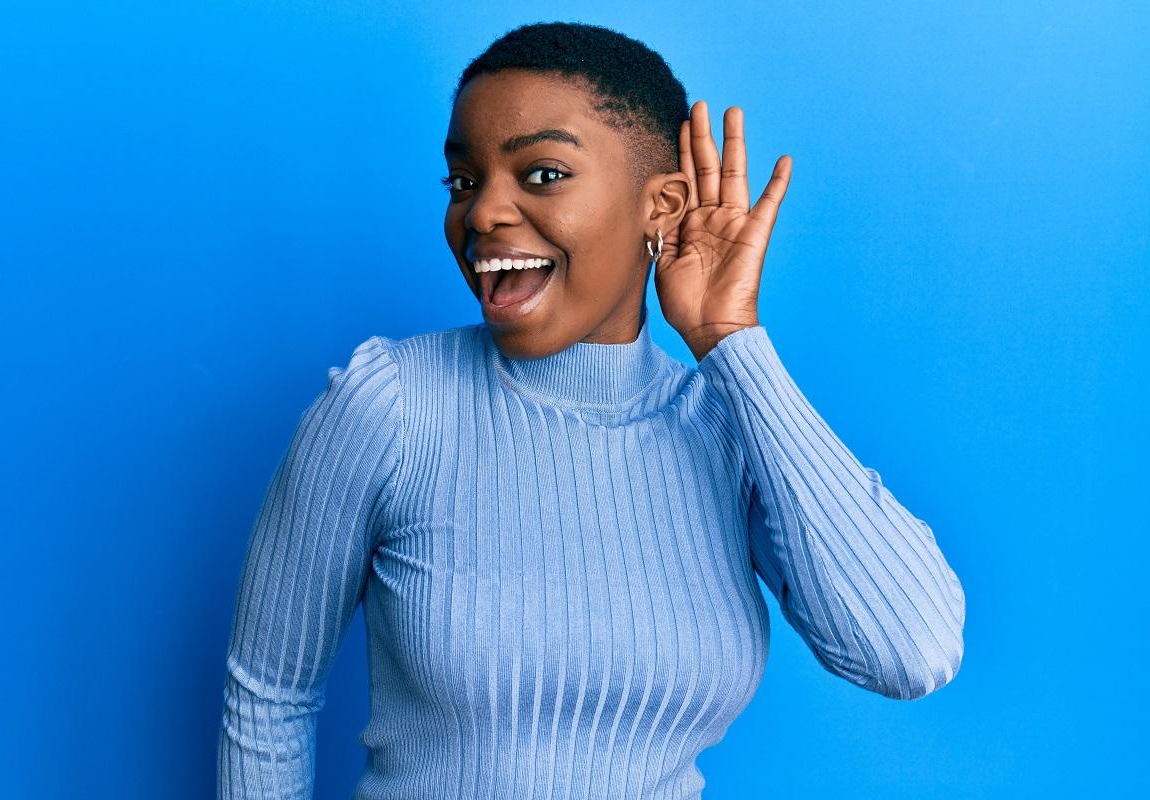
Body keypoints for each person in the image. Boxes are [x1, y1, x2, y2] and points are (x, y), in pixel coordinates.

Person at [217, 21, 966, 799]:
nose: (480, 216)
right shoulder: (391, 407)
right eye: (464, 181)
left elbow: (907, 652)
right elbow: (268, 696)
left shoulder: (724, 428)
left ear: (662, 206)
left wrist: (730, 342)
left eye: (541, 174)